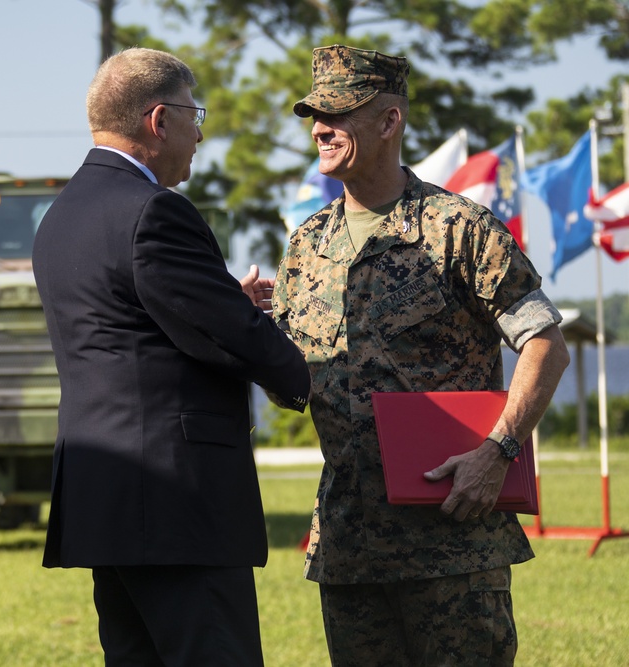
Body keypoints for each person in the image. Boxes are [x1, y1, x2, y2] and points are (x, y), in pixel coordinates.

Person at [273, 44, 570, 666]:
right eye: (314, 115)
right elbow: (290, 385)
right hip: (350, 545)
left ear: (389, 121)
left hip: (453, 542)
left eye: (339, 113)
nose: (321, 129)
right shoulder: (307, 245)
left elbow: (545, 344)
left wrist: (500, 450)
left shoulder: (458, 227)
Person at [32, 47, 312, 666]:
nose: (200, 132)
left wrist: (221, 301)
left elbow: (137, 326)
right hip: (173, 501)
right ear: (159, 121)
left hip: (104, 494)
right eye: (194, 114)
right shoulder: (156, 210)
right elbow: (230, 335)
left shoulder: (62, 215)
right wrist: (305, 375)